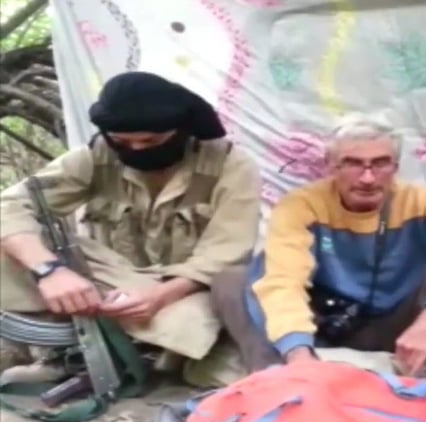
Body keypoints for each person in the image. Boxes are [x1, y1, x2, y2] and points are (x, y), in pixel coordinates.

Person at [212, 113, 426, 384]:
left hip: (401, 323)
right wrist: (297, 350)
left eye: (380, 164)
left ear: (395, 167)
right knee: (234, 279)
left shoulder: (423, 203)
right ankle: (276, 378)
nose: (367, 178)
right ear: (330, 166)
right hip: (322, 319)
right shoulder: (301, 206)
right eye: (352, 164)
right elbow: (284, 279)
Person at [0, 71, 261, 382]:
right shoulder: (97, 155)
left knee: (195, 328)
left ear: (182, 130)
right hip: (108, 283)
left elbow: (223, 254)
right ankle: (68, 355)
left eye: (150, 141)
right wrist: (50, 271)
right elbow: (10, 206)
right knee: (15, 247)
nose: (137, 149)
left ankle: (161, 356)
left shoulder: (230, 166)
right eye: (122, 141)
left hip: (183, 290)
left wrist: (158, 297)